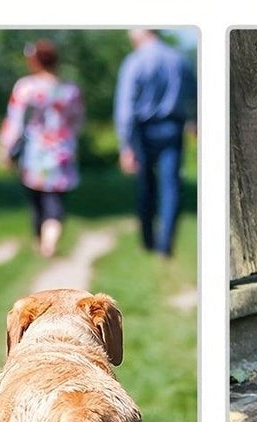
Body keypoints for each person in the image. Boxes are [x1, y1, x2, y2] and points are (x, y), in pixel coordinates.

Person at [0, 39, 84, 260]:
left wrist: (5, 148)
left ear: (35, 61)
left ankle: (42, 241)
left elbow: (14, 122)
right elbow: (77, 122)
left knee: (36, 200)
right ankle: (49, 241)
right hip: (62, 153)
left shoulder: (26, 87)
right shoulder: (70, 91)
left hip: (34, 155)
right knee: (55, 202)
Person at [114, 29, 194, 258]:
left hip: (143, 130)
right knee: (171, 187)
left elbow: (125, 106)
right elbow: (193, 94)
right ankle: (165, 244)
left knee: (146, 185)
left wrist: (125, 145)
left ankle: (148, 241)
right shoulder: (178, 59)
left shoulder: (134, 61)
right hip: (173, 128)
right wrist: (194, 121)